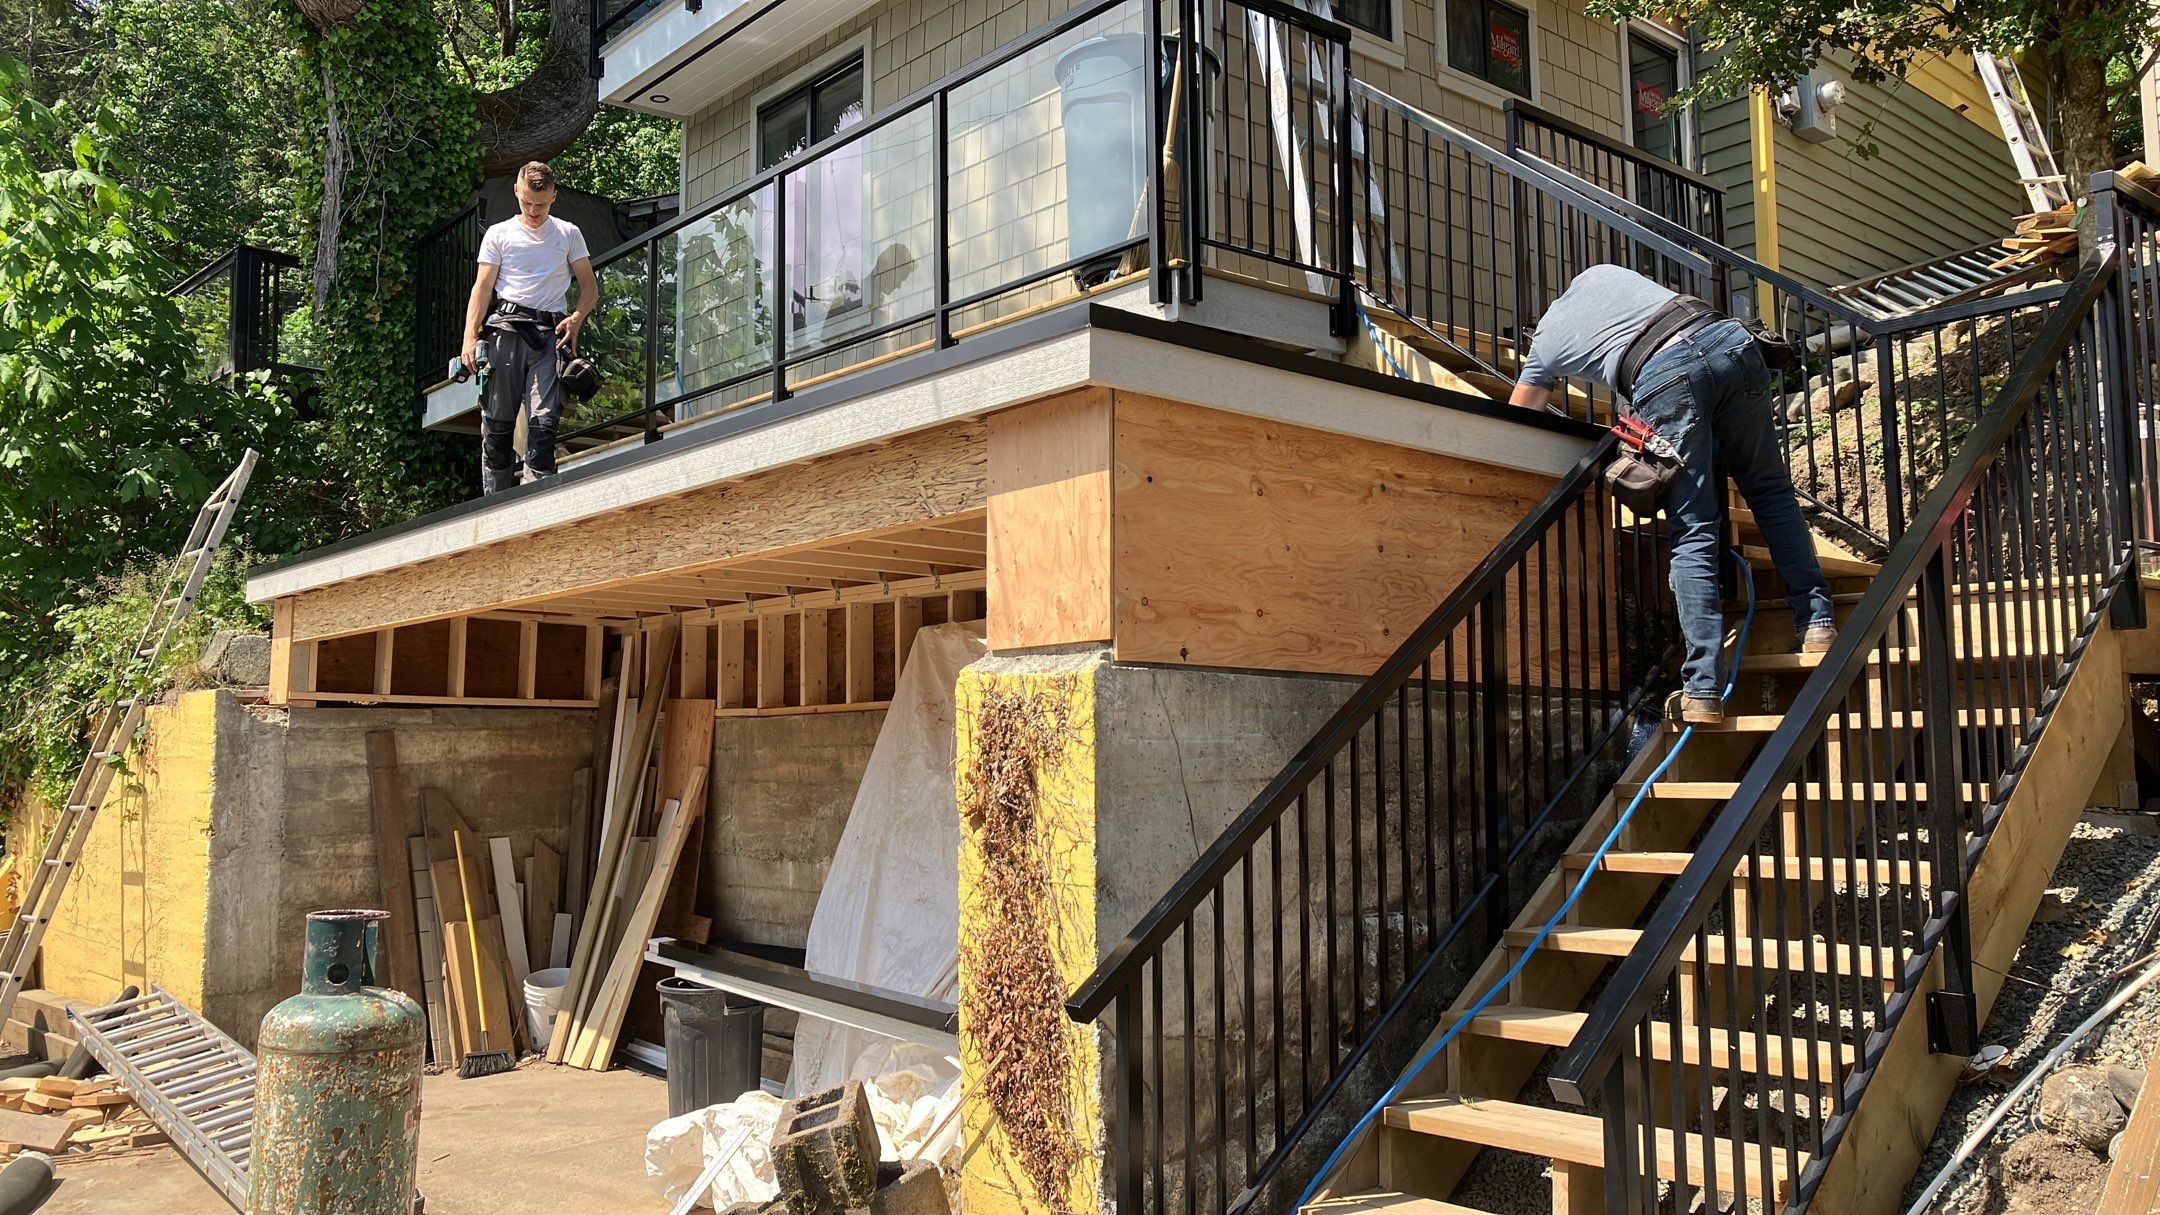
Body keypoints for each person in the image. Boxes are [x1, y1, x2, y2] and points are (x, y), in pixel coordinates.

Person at [1508, 264, 1836, 725]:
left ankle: (1703, 688)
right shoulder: (1603, 273)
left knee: (1694, 531)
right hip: (1729, 341)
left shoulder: (1545, 339)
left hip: (1664, 374)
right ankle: (1818, 622)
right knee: (1770, 491)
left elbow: (1522, 417)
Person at [461, 161, 599, 494]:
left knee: (544, 426)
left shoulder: (568, 234)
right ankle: (494, 507)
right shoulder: (500, 233)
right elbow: (482, 288)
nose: (533, 210)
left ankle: (537, 505)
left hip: (549, 338)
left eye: (541, 204)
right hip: (505, 333)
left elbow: (589, 287)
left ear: (553, 196)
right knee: (497, 428)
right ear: (517, 192)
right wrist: (469, 336)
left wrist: (577, 318)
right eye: (527, 203)